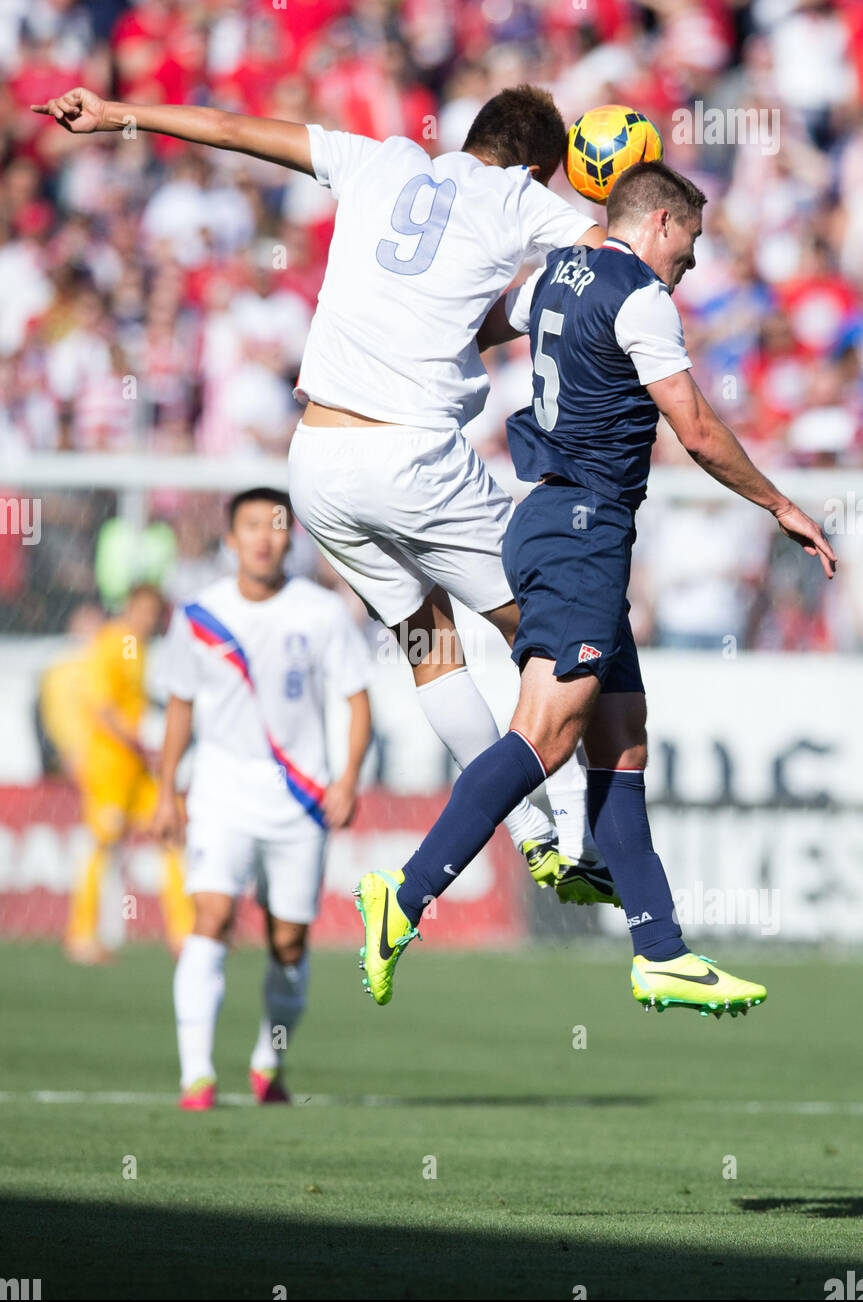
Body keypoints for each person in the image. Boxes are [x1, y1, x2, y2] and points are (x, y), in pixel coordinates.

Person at [31, 80, 617, 909]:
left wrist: (119, 116)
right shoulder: (519, 196)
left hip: (319, 461)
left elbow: (230, 126)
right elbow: (604, 263)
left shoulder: (377, 159)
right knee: (560, 628)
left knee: (427, 642)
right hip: (412, 456)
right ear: (538, 165)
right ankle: (574, 828)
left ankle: (530, 837)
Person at [354, 162, 837, 1015]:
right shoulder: (640, 294)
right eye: (687, 241)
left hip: (551, 519)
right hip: (583, 528)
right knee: (544, 734)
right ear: (656, 223)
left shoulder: (550, 275)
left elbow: (477, 330)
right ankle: (407, 892)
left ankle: (661, 951)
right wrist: (779, 502)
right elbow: (693, 426)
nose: (689, 260)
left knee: (621, 736)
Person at [153, 488, 372, 1109]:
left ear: (290, 538)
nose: (263, 537)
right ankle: (196, 1074)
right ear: (230, 538)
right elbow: (179, 705)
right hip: (222, 791)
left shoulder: (323, 611)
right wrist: (167, 790)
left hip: (300, 800)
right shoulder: (198, 614)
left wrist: (348, 777)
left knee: (289, 943)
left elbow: (358, 700)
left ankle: (267, 1062)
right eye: (250, 525)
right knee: (212, 918)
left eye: (276, 526)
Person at [66, 584, 193, 964]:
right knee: (102, 842)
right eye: (145, 609)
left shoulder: (139, 648)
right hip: (110, 766)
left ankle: (184, 933)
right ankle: (81, 935)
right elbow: (100, 707)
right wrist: (138, 740)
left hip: (138, 767)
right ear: (131, 606)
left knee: (170, 833)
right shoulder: (112, 643)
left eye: (156, 612)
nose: (150, 618)